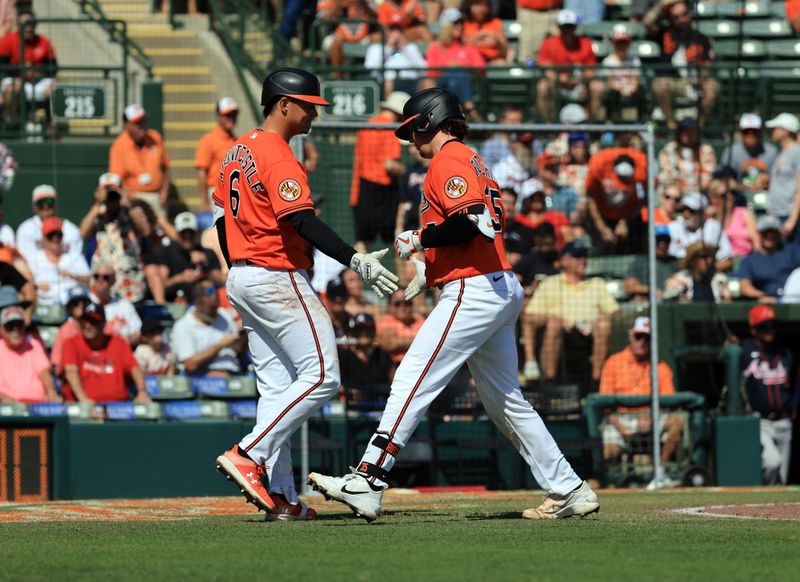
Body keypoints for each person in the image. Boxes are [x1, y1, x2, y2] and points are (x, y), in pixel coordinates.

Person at [308, 87, 599, 522]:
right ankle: (569, 487)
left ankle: (369, 478)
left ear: (430, 120)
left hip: (476, 290)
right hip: (492, 284)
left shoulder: (450, 158)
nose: (411, 141)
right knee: (505, 400)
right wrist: (433, 267)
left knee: (413, 375)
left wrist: (420, 239)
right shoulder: (471, 158)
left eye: (412, 130)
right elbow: (474, 227)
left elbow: (470, 223)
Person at [212, 68, 399, 521]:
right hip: (277, 274)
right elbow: (302, 221)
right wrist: (353, 258)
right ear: (283, 105)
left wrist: (238, 265)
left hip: (244, 274)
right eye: (309, 105)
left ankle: (281, 498)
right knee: (322, 377)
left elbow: (220, 220)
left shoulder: (236, 150)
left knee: (277, 388)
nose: (314, 113)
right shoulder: (277, 154)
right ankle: (248, 454)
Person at [522, 240, 618, 384]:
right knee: (554, 324)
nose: (583, 260)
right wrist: (555, 318)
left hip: (590, 335)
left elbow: (616, 312)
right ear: (563, 261)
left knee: (603, 323)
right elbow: (531, 316)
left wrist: (595, 322)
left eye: (585, 256)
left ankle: (596, 383)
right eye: (577, 256)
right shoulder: (550, 283)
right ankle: (550, 382)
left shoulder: (596, 283)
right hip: (560, 333)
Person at [599, 317, 683, 467]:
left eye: (647, 337)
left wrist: (650, 418)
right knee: (607, 452)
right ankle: (610, 481)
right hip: (622, 419)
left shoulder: (661, 367)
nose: (642, 342)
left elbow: (669, 402)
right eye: (638, 336)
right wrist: (620, 426)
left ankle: (660, 470)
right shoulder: (613, 362)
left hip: (652, 418)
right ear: (631, 337)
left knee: (678, 421)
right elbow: (605, 405)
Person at [740, 305, 798, 485]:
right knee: (772, 462)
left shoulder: (786, 353)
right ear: (753, 329)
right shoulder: (745, 350)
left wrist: (794, 404)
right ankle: (766, 503)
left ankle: (776, 510)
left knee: (783, 473)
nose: (769, 330)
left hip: (783, 419)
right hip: (760, 421)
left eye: (772, 325)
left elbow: (796, 380)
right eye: (764, 326)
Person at [350, 91, 410, 251]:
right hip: (383, 190)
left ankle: (360, 277)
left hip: (362, 187)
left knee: (363, 242)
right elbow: (389, 165)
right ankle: (405, 277)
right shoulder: (390, 129)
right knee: (397, 241)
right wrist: (408, 172)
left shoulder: (367, 125)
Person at [647, 0, 718, 128]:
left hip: (694, 82)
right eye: (676, 17)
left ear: (690, 14)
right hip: (672, 81)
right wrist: (661, 4)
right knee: (659, 84)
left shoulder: (701, 38)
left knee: (712, 86)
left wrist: (702, 78)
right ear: (671, 19)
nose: (682, 19)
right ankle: (671, 125)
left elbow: (706, 65)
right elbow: (647, 23)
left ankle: (699, 126)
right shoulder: (664, 34)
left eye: (684, 14)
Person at [62, 303, 151, 404]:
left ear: (103, 323)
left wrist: (142, 391)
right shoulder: (71, 343)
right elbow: (71, 372)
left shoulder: (118, 343)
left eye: (93, 321)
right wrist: (84, 400)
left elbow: (134, 369)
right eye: (84, 321)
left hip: (119, 408)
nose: (88, 325)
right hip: (84, 408)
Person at [79, 173, 147, 304]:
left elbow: (145, 231)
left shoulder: (131, 212)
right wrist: (98, 203)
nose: (111, 198)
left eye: (114, 193)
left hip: (130, 284)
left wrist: (127, 204)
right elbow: (83, 233)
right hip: (104, 283)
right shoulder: (98, 214)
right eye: (107, 193)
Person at [535, 9, 601, 123]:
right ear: (558, 27)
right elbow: (547, 70)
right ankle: (548, 124)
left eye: (570, 27)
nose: (567, 31)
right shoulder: (549, 43)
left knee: (597, 87)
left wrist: (582, 79)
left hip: (580, 84)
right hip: (558, 84)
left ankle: (590, 124)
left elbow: (591, 71)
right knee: (543, 87)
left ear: (575, 27)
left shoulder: (585, 43)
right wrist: (562, 79)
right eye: (564, 27)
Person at [171, 280, 243, 377]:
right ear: (197, 303)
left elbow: (239, 351)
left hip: (235, 372)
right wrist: (220, 346)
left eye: (216, 307)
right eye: (211, 308)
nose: (215, 312)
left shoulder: (223, 315)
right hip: (203, 377)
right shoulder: (184, 325)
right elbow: (190, 365)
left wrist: (244, 336)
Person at [584, 146, 648, 254]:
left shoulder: (644, 166)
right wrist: (602, 228)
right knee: (600, 250)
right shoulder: (599, 164)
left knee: (634, 248)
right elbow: (590, 197)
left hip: (629, 214)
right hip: (601, 213)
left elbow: (646, 198)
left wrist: (625, 221)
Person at [108, 104, 170, 214]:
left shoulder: (155, 137)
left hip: (156, 197)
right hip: (135, 198)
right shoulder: (119, 145)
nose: (142, 125)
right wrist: (128, 197)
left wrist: (165, 190)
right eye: (137, 123)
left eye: (143, 121)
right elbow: (116, 179)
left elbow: (165, 166)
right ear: (127, 125)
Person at [425, 8, 485, 113]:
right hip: (441, 87)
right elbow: (431, 73)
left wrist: (461, 66)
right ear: (446, 26)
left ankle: (460, 109)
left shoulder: (467, 46)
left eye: (461, 23)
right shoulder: (435, 47)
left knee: (455, 78)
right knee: (453, 74)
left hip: (464, 84)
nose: (460, 26)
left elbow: (481, 68)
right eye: (455, 23)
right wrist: (447, 67)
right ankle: (468, 106)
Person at [0, 11, 57, 122]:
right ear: (18, 24)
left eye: (31, 24)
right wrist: (20, 70)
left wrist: (38, 73)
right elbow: (1, 68)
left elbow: (53, 68)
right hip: (16, 80)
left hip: (38, 81)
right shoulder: (7, 41)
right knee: (14, 88)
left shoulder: (44, 42)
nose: (28, 28)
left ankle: (51, 125)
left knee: (56, 89)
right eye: (25, 24)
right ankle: (12, 122)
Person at [157, 211, 223, 302]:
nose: (187, 236)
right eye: (183, 232)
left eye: (190, 232)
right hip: (175, 305)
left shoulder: (207, 253)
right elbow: (160, 285)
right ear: (176, 232)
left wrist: (205, 265)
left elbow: (221, 281)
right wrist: (180, 278)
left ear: (196, 232)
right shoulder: (167, 252)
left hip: (203, 304)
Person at [0, 303, 60, 404]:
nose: (16, 330)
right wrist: (6, 400)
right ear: (1, 329)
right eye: (10, 326)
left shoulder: (33, 344)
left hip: (37, 405)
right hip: (7, 407)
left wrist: (51, 392)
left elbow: (44, 372)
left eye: (19, 325)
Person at [27, 216, 91, 305]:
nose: (55, 239)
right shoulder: (34, 258)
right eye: (50, 235)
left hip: (73, 304)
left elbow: (91, 280)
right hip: (45, 305)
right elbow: (25, 284)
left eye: (58, 235)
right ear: (43, 237)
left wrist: (74, 276)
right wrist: (36, 286)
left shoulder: (74, 256)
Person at [737, 216, 800, 303]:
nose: (769, 235)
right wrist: (762, 296)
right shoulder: (750, 260)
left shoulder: (792, 251)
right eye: (765, 232)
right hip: (766, 303)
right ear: (759, 233)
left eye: (773, 232)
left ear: (779, 234)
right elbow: (745, 286)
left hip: (794, 298)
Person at [16, 184, 83, 264]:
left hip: (66, 273)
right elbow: (26, 260)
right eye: (41, 203)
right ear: (34, 207)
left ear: (55, 205)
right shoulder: (26, 229)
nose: (46, 206)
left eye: (49, 201)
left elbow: (76, 260)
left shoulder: (71, 229)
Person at [339, 312, 394, 408]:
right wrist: (348, 391)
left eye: (368, 329)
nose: (364, 333)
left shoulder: (383, 355)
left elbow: (394, 383)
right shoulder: (344, 356)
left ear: (374, 331)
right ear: (353, 332)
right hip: (351, 409)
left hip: (379, 408)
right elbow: (338, 386)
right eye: (359, 329)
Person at [667, 192, 733, 271]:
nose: (686, 214)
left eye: (692, 211)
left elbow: (728, 260)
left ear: (702, 213)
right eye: (684, 210)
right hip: (678, 271)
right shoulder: (674, 227)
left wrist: (708, 270)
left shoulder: (713, 227)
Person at [195, 98, 240, 211]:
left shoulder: (238, 141)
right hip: (216, 193)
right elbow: (201, 172)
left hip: (235, 192)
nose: (232, 118)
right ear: (219, 116)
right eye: (227, 115)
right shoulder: (208, 140)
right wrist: (205, 201)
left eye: (234, 115)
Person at [364, 23, 428, 96]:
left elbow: (423, 68)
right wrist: (388, 47)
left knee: (426, 82)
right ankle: (387, 106)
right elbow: (370, 68)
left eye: (399, 31)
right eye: (392, 30)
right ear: (386, 32)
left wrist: (405, 48)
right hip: (388, 82)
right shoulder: (376, 48)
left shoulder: (411, 47)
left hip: (411, 81)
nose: (396, 34)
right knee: (388, 83)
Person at [764, 113, 800, 240]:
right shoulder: (782, 153)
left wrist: (792, 220)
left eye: (775, 128)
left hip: (788, 216)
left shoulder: (796, 153)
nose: (772, 131)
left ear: (785, 130)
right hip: (776, 213)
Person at [657, 118, 717, 194]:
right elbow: (666, 177)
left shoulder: (706, 150)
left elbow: (706, 181)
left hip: (700, 195)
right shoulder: (669, 150)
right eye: (685, 131)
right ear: (679, 133)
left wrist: (688, 188)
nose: (689, 135)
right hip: (675, 195)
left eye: (692, 131)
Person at [719, 114, 777, 192]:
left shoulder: (771, 151)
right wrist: (742, 187)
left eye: (754, 132)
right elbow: (724, 179)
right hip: (737, 195)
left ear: (760, 132)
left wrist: (768, 180)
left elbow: (778, 178)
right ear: (741, 133)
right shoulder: (731, 151)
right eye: (746, 132)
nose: (750, 135)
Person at [705, 178, 760, 258]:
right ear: (713, 198)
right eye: (724, 195)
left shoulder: (745, 214)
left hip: (746, 261)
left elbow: (757, 245)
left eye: (733, 193)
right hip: (720, 262)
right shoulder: (709, 219)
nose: (730, 197)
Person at [89, 263, 142, 344]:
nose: (100, 280)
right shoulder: (86, 304)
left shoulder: (124, 305)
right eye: (96, 276)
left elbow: (138, 332)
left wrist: (128, 340)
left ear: (113, 281)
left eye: (105, 277)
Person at [663, 241, 731, 303]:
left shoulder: (720, 279)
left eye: (711, 257)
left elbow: (727, 303)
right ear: (692, 261)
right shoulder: (678, 280)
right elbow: (667, 302)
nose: (709, 261)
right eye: (704, 257)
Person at [601, 30, 644, 123]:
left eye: (624, 43)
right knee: (612, 95)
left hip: (631, 91)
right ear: (613, 44)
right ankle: (612, 123)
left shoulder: (634, 60)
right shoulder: (608, 61)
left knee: (639, 92)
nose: (621, 47)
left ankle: (638, 124)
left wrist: (630, 89)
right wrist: (621, 89)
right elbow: (610, 81)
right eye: (619, 43)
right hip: (615, 93)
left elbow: (635, 80)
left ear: (629, 45)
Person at [376, 290, 425, 366]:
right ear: (389, 305)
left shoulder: (420, 321)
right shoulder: (384, 320)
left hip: (420, 365)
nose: (403, 307)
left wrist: (400, 341)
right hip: (394, 366)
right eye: (397, 304)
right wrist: (419, 340)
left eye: (407, 303)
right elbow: (390, 344)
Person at [51, 286, 90, 376]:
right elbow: (56, 364)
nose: (80, 305)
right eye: (75, 303)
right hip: (73, 373)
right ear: (69, 308)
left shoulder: (96, 325)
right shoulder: (64, 331)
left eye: (84, 302)